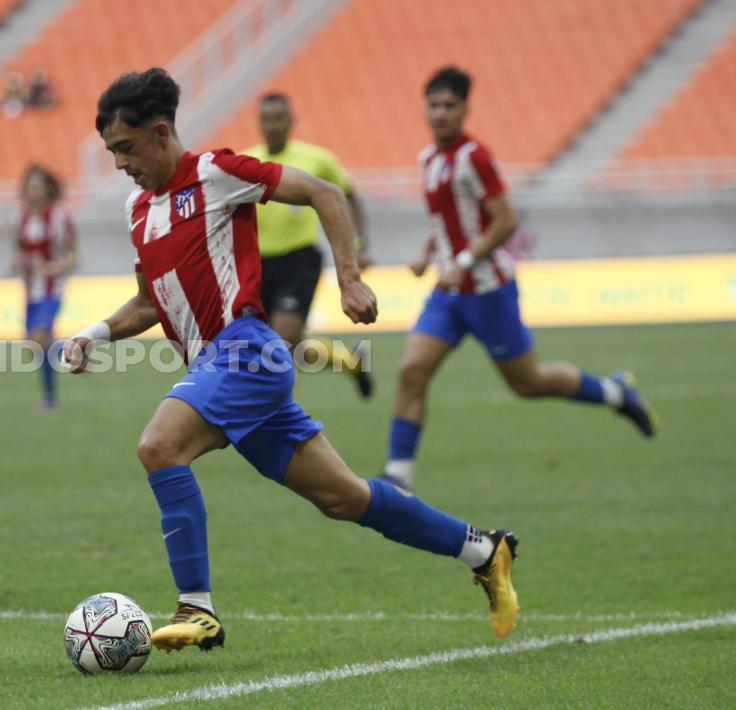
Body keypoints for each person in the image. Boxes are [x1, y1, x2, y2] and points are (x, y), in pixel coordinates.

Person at [63, 68, 520, 652]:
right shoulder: (137, 211)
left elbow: (323, 193)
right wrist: (93, 336)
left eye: (125, 148)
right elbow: (152, 302)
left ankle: (196, 608)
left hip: (245, 353)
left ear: (158, 133)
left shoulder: (216, 173)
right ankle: (484, 550)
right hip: (217, 372)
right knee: (344, 498)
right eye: (111, 152)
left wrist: (349, 279)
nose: (120, 163)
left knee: (159, 446)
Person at [384, 66, 658, 491]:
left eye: (449, 106)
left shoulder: (475, 157)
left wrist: (465, 258)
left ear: (465, 110)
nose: (440, 113)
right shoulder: (429, 159)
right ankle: (398, 479)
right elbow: (447, 218)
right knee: (410, 371)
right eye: (434, 105)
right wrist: (427, 255)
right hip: (448, 292)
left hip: (489, 291)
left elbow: (506, 221)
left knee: (528, 383)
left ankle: (617, 393)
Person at [243, 93, 373, 398]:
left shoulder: (317, 159)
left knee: (280, 344)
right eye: (266, 119)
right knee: (281, 343)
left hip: (299, 260)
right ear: (258, 123)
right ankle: (349, 361)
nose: (272, 126)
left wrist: (359, 244)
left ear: (290, 121)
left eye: (278, 119)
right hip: (258, 265)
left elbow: (348, 196)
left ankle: (283, 415)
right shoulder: (246, 161)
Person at [15, 165, 77, 410]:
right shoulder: (20, 217)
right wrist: (18, 263)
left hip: (53, 289)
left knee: (40, 338)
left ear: (48, 189)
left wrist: (54, 267)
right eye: (30, 185)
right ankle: (74, 351)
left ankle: (50, 399)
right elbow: (21, 251)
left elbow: (73, 258)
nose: (33, 190)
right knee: (35, 345)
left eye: (37, 185)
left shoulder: (60, 217)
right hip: (31, 291)